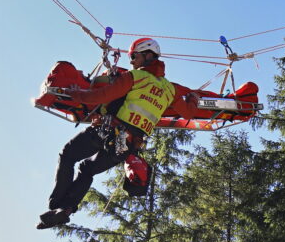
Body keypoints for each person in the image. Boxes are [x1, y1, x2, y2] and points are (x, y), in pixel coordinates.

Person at [37, 37, 188, 229]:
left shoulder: (136, 77)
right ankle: (66, 210)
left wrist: (76, 94)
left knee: (67, 155)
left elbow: (101, 96)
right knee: (88, 170)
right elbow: (188, 112)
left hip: (107, 131)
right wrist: (191, 100)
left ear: (148, 56)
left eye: (134, 56)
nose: (131, 61)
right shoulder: (170, 90)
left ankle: (57, 206)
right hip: (126, 147)